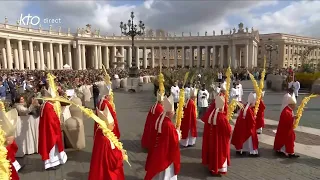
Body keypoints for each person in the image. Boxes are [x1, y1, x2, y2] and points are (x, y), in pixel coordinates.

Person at [144, 95, 181, 180]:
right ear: (170, 113)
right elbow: (174, 140)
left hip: (157, 149)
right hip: (166, 152)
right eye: (173, 112)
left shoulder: (160, 117)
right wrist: (178, 133)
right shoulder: (168, 124)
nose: (174, 114)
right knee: (167, 172)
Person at [88, 105, 125, 180]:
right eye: (112, 124)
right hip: (108, 169)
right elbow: (112, 159)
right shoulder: (106, 139)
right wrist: (121, 153)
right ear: (106, 125)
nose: (114, 125)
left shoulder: (99, 132)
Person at [202, 95, 231, 176]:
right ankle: (217, 169)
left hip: (212, 140)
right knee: (219, 154)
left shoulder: (211, 115)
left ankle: (212, 167)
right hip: (220, 141)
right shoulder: (222, 118)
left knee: (213, 153)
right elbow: (228, 131)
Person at [38, 88, 67, 170]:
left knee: (53, 146)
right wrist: (58, 124)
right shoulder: (48, 106)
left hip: (48, 129)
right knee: (51, 145)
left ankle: (55, 160)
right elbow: (51, 120)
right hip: (51, 130)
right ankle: (50, 163)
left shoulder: (46, 105)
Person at [231, 92, 259, 157]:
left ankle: (241, 150)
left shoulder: (245, 106)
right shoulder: (248, 109)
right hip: (247, 127)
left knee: (242, 139)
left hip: (242, 126)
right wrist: (255, 118)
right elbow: (252, 121)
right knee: (250, 140)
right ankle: (252, 152)